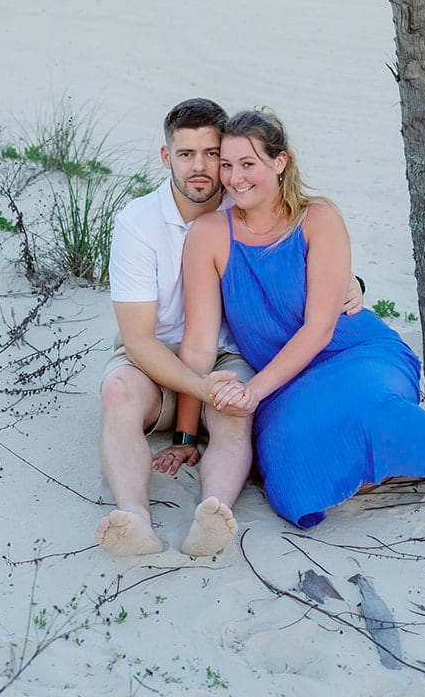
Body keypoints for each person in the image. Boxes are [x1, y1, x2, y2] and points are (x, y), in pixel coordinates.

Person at [176, 109, 425, 529]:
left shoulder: (318, 217)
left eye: (248, 164)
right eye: (227, 165)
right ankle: (386, 466)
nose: (235, 178)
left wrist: (252, 391)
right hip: (283, 380)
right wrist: (186, 430)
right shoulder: (208, 235)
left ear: (280, 163)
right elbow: (199, 342)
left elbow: (320, 328)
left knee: (369, 408)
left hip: (355, 353)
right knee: (290, 471)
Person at [96, 97, 364, 559]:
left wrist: (354, 283)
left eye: (212, 155)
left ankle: (211, 513)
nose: (201, 168)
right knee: (118, 392)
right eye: (185, 154)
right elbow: (139, 339)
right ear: (167, 158)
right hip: (154, 361)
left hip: (227, 357)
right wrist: (194, 397)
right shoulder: (138, 225)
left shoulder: (244, 199)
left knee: (233, 409)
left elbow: (299, 250)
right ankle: (135, 519)